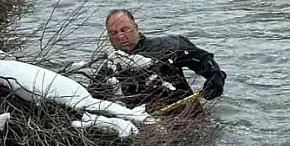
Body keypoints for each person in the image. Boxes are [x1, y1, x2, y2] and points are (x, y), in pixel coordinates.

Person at [89, 9, 226, 110]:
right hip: (148, 128)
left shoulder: (168, 46)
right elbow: (90, 101)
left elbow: (203, 59)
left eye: (125, 30)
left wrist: (215, 78)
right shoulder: (109, 69)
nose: (120, 36)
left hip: (187, 118)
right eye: (113, 33)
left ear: (136, 28)